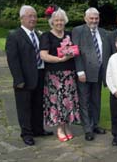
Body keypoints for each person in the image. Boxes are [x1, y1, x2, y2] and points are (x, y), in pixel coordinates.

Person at [5, 5, 53, 146]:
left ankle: (38, 129)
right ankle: (26, 134)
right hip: (24, 78)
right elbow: (12, 60)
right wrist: (18, 79)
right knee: (24, 107)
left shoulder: (39, 34)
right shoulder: (14, 35)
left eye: (34, 16)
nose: (33, 18)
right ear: (22, 18)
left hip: (40, 75)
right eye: (29, 16)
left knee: (38, 105)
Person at [39, 8, 81, 142]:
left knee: (69, 102)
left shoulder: (69, 34)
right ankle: (59, 128)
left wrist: (72, 52)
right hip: (54, 76)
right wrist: (60, 59)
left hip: (69, 74)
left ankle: (68, 126)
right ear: (52, 22)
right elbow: (43, 55)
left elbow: (75, 50)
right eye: (56, 20)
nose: (59, 22)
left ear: (65, 21)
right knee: (57, 103)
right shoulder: (46, 36)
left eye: (61, 20)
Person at [72, 7, 111, 141]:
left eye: (96, 18)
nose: (94, 21)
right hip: (85, 72)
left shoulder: (104, 32)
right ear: (85, 18)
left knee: (96, 100)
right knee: (84, 101)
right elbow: (75, 51)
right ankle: (87, 129)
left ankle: (95, 124)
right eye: (91, 18)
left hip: (99, 71)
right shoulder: (78, 31)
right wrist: (80, 70)